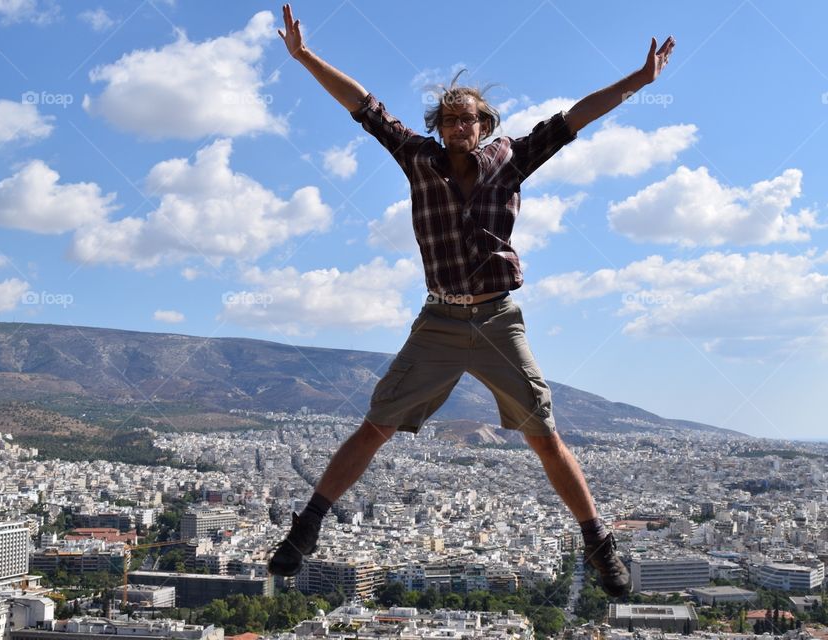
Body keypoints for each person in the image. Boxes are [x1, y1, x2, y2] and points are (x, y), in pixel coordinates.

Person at [269, 3, 674, 599]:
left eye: (469, 119)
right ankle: (304, 531)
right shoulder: (418, 158)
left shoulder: (511, 157)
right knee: (375, 425)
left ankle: (599, 545)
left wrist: (637, 81)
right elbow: (363, 105)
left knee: (544, 434)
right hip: (438, 317)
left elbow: (574, 119)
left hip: (496, 317)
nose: (459, 127)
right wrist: (304, 57)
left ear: (485, 124)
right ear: (439, 126)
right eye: (450, 120)